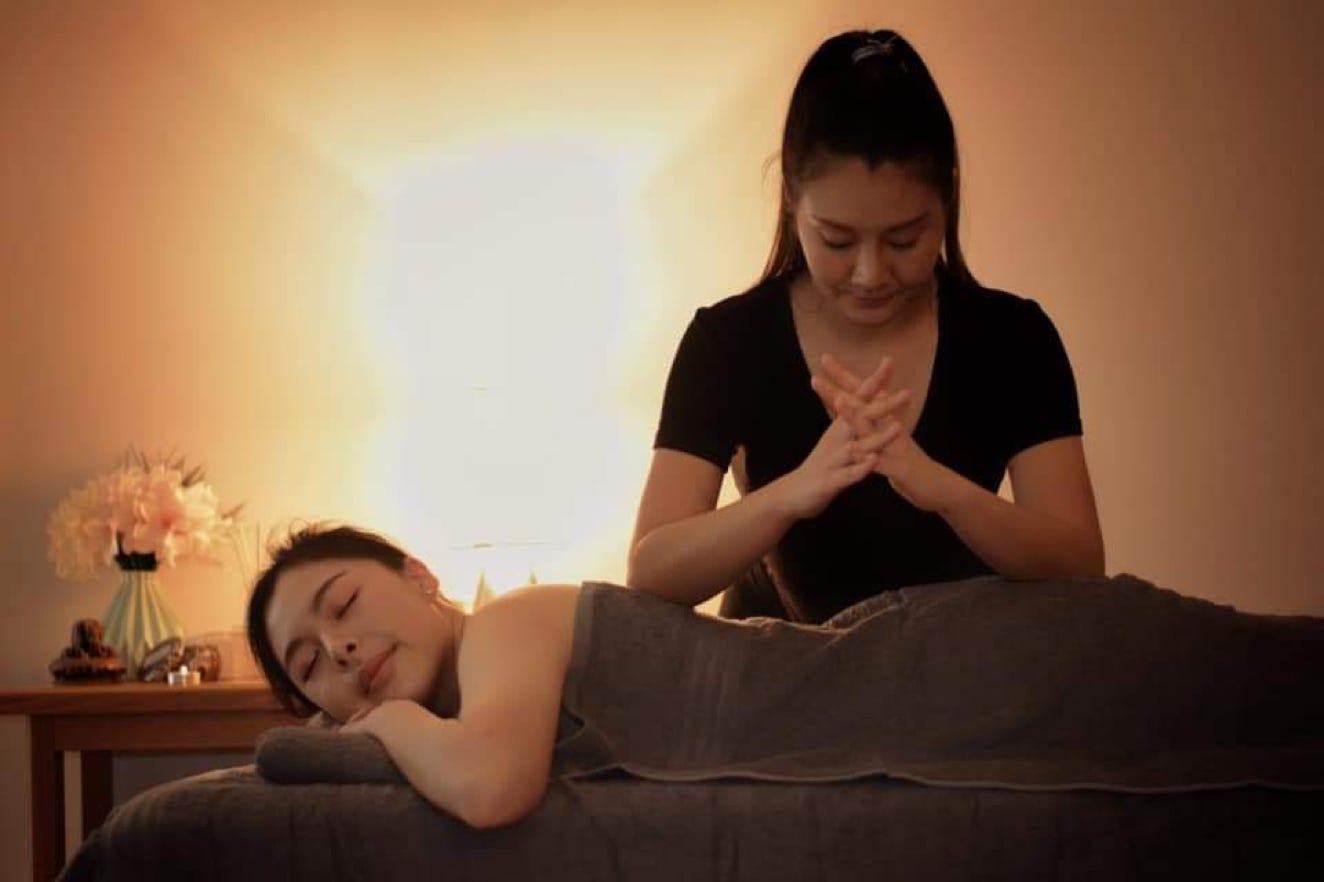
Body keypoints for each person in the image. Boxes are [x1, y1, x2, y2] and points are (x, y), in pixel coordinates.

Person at [247, 524, 1324, 831]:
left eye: (341, 605)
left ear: (419, 574)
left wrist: (380, 721)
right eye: (308, 664)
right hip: (952, 688)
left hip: (973, 663)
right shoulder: (480, 701)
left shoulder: (507, 626)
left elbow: (492, 787)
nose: (337, 652)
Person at [630, 29, 1104, 623]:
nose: (870, 274)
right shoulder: (729, 343)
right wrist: (793, 493)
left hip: (953, 662)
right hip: (775, 663)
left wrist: (943, 490)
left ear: (948, 199)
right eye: (837, 240)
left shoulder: (1011, 338)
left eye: (904, 240)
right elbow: (650, 573)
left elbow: (1080, 563)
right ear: (792, 201)